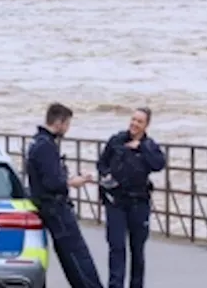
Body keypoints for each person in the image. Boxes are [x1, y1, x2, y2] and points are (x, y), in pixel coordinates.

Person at [27, 102, 104, 288]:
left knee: (70, 256)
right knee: (77, 255)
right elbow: (52, 182)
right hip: (55, 207)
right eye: (67, 124)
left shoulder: (38, 142)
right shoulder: (46, 146)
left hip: (47, 205)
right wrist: (73, 182)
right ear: (59, 122)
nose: (68, 128)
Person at [97, 107, 165, 288]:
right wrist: (106, 176)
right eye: (133, 119)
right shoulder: (117, 140)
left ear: (146, 125)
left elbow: (159, 164)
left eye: (139, 121)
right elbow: (102, 163)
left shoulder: (150, 146)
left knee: (137, 250)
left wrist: (141, 147)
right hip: (116, 201)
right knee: (116, 247)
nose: (134, 124)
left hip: (139, 202)